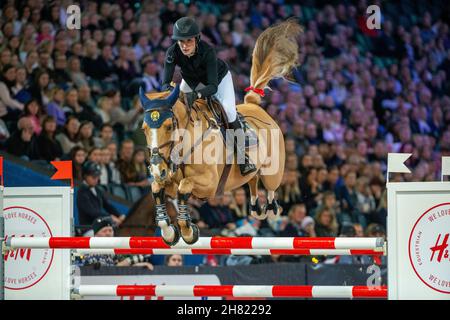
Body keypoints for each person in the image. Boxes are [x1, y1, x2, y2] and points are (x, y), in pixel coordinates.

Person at [161, 17, 256, 176]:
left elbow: (212, 87)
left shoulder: (208, 51)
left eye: (189, 41)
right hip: (191, 80)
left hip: (219, 80)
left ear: (196, 39)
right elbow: (165, 83)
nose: (184, 46)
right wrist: (170, 92)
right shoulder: (172, 52)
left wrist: (196, 94)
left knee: (229, 111)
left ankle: (242, 157)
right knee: (178, 110)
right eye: (181, 41)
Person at [77, 160, 126, 226]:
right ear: (85, 176)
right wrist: (110, 217)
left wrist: (119, 215)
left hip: (99, 226)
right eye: (93, 177)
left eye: (98, 176)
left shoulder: (97, 190)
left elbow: (107, 205)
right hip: (88, 227)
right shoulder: (81, 192)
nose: (96, 179)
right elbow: (92, 212)